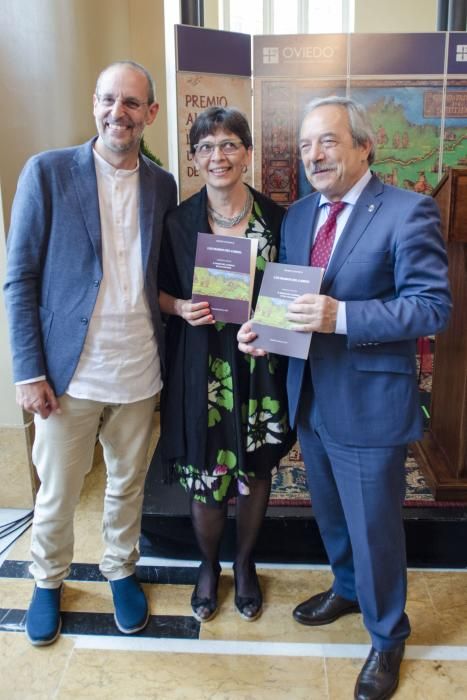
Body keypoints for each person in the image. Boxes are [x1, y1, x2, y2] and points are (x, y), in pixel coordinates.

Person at [238, 96, 451, 700]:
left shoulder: (408, 213)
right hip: (310, 396)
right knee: (332, 515)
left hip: (370, 403)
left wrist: (343, 316)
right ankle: (348, 588)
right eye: (306, 145)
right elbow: (292, 297)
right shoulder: (300, 216)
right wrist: (265, 329)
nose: (315, 155)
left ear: (364, 145)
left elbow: (433, 307)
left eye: (328, 141)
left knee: (375, 525)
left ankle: (387, 636)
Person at [3, 60, 177, 646]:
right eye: (108, 99)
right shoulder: (48, 173)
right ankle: (47, 580)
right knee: (58, 489)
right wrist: (27, 371)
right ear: (94, 104)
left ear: (150, 113)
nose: (117, 112)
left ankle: (120, 568)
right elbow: (19, 277)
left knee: (127, 483)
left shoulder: (162, 183)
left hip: (140, 367)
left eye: (131, 103)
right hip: (67, 372)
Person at [158, 106, 294, 623]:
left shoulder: (279, 219)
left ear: (247, 152)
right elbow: (159, 291)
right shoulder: (178, 222)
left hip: (259, 366)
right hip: (203, 367)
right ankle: (209, 564)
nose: (219, 156)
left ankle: (245, 561)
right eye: (207, 147)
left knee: (258, 471)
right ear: (194, 159)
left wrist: (273, 329)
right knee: (206, 477)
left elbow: (290, 291)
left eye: (230, 144)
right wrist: (179, 307)